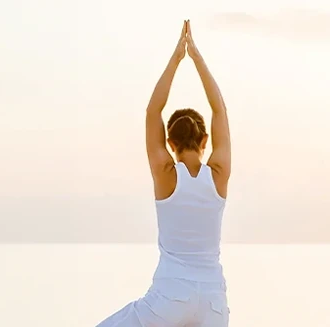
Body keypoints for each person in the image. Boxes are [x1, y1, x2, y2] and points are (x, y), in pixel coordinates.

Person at [96, 19, 231, 327]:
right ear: (205, 141)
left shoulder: (165, 173)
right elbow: (220, 109)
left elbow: (152, 111)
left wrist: (176, 57)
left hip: (171, 297)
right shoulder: (218, 174)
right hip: (213, 303)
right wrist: (196, 57)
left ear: (169, 142)